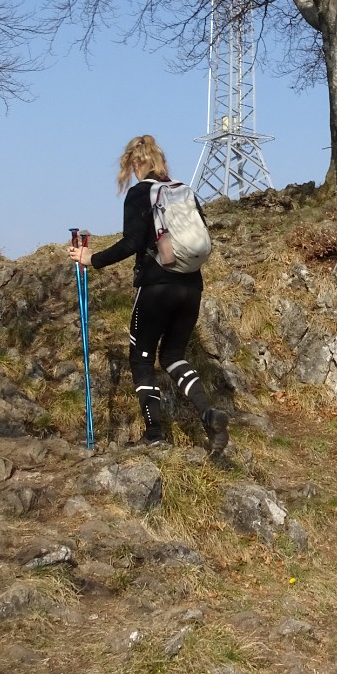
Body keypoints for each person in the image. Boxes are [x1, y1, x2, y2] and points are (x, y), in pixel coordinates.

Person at [68, 134, 229, 456]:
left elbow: (131, 243)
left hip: (157, 288)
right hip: (191, 286)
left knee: (141, 357)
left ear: (137, 162)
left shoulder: (140, 194)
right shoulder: (183, 192)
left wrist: (91, 259)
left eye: (131, 165)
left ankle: (154, 434)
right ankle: (209, 415)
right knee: (173, 356)